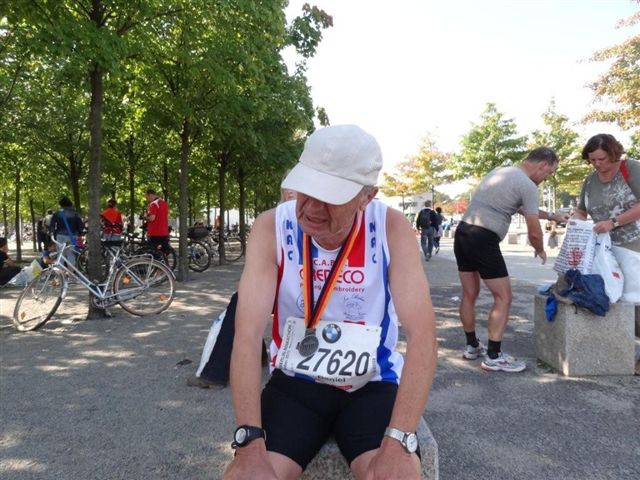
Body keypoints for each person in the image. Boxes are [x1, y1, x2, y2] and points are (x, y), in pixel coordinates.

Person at [223, 125, 437, 480]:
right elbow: (246, 336)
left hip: (372, 383)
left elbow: (423, 335)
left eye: (330, 197)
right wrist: (248, 442)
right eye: (306, 189)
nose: (311, 208)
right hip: (296, 384)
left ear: (367, 197)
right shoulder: (271, 227)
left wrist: (400, 440)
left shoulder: (390, 227)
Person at [453, 147, 568, 373]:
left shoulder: (502, 172)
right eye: (549, 172)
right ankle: (494, 356)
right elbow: (534, 231)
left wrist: (551, 215)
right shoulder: (527, 185)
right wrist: (540, 249)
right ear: (543, 165)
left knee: (469, 294)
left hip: (464, 232)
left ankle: (472, 346)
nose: (547, 178)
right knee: (504, 297)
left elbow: (521, 208)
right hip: (484, 238)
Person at [572, 133, 640, 300]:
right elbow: (581, 211)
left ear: (613, 154)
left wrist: (613, 222)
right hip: (604, 250)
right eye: (592, 160)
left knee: (633, 299)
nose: (597, 164)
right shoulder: (590, 179)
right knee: (610, 298)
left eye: (601, 159)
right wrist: (575, 223)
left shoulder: (632, 169)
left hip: (634, 248)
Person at [50, 197, 84, 268]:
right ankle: (70, 273)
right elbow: (81, 226)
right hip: (72, 236)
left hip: (60, 236)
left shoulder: (57, 213)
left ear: (61, 204)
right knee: (71, 255)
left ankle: (61, 273)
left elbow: (52, 225)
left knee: (60, 255)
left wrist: (52, 234)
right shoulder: (75, 213)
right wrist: (79, 233)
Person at [143, 189, 170, 254]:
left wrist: (145, 217)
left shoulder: (153, 204)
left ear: (150, 195)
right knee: (163, 253)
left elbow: (152, 218)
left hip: (155, 232)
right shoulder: (164, 203)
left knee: (154, 253)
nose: (148, 199)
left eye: (147, 197)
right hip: (164, 231)